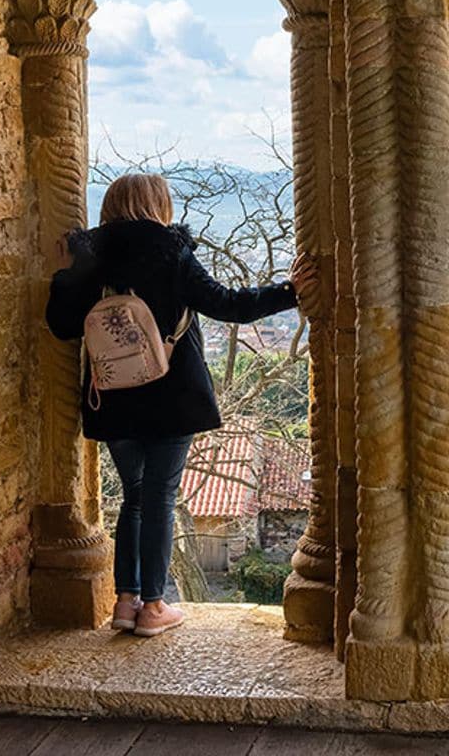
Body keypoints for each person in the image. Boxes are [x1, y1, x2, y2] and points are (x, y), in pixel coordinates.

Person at [46, 172, 317, 637]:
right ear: (158, 205)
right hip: (171, 397)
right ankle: (153, 606)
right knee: (160, 497)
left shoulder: (91, 257)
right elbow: (229, 305)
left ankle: (125, 602)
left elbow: (62, 325)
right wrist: (289, 290)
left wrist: (64, 274)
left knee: (133, 497)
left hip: (111, 396)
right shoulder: (171, 252)